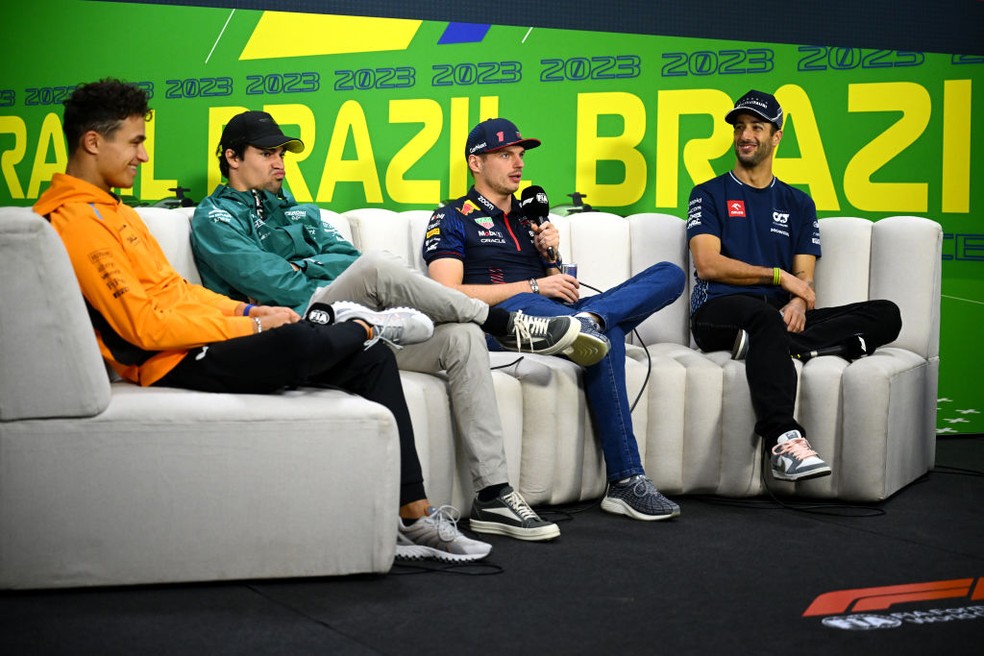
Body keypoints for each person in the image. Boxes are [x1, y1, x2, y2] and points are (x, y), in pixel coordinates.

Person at [34, 78, 492, 564]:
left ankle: (415, 519)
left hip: (194, 336)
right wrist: (252, 328)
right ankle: (366, 324)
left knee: (372, 359)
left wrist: (248, 310)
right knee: (295, 341)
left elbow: (178, 292)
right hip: (165, 360)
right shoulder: (71, 219)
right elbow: (143, 327)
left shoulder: (116, 212)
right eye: (135, 142)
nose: (143, 156)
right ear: (92, 142)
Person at [189, 111, 598, 541]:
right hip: (298, 324)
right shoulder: (214, 217)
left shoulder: (302, 212)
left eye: (282, 154)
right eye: (267, 153)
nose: (280, 163)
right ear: (232, 157)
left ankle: (493, 495)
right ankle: (505, 323)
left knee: (460, 337)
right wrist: (316, 269)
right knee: (378, 268)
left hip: (354, 322)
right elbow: (277, 283)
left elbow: (343, 257)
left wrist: (305, 263)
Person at [423, 118, 687, 521]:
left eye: (521, 155)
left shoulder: (530, 221)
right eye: (505, 154)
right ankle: (627, 481)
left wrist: (551, 260)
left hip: (558, 319)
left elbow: (560, 291)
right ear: (475, 163)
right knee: (606, 335)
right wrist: (533, 286)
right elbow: (446, 295)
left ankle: (592, 319)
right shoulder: (452, 216)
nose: (518, 164)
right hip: (501, 324)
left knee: (669, 274)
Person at [687, 89, 903, 482]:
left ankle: (780, 346)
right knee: (763, 318)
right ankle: (784, 441)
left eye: (756, 127)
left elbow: (805, 278)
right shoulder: (709, 193)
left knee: (885, 313)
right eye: (739, 128)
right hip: (719, 312)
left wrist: (799, 304)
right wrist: (778, 277)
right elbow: (707, 265)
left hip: (774, 317)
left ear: (777, 136)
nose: (745, 135)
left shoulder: (799, 203)